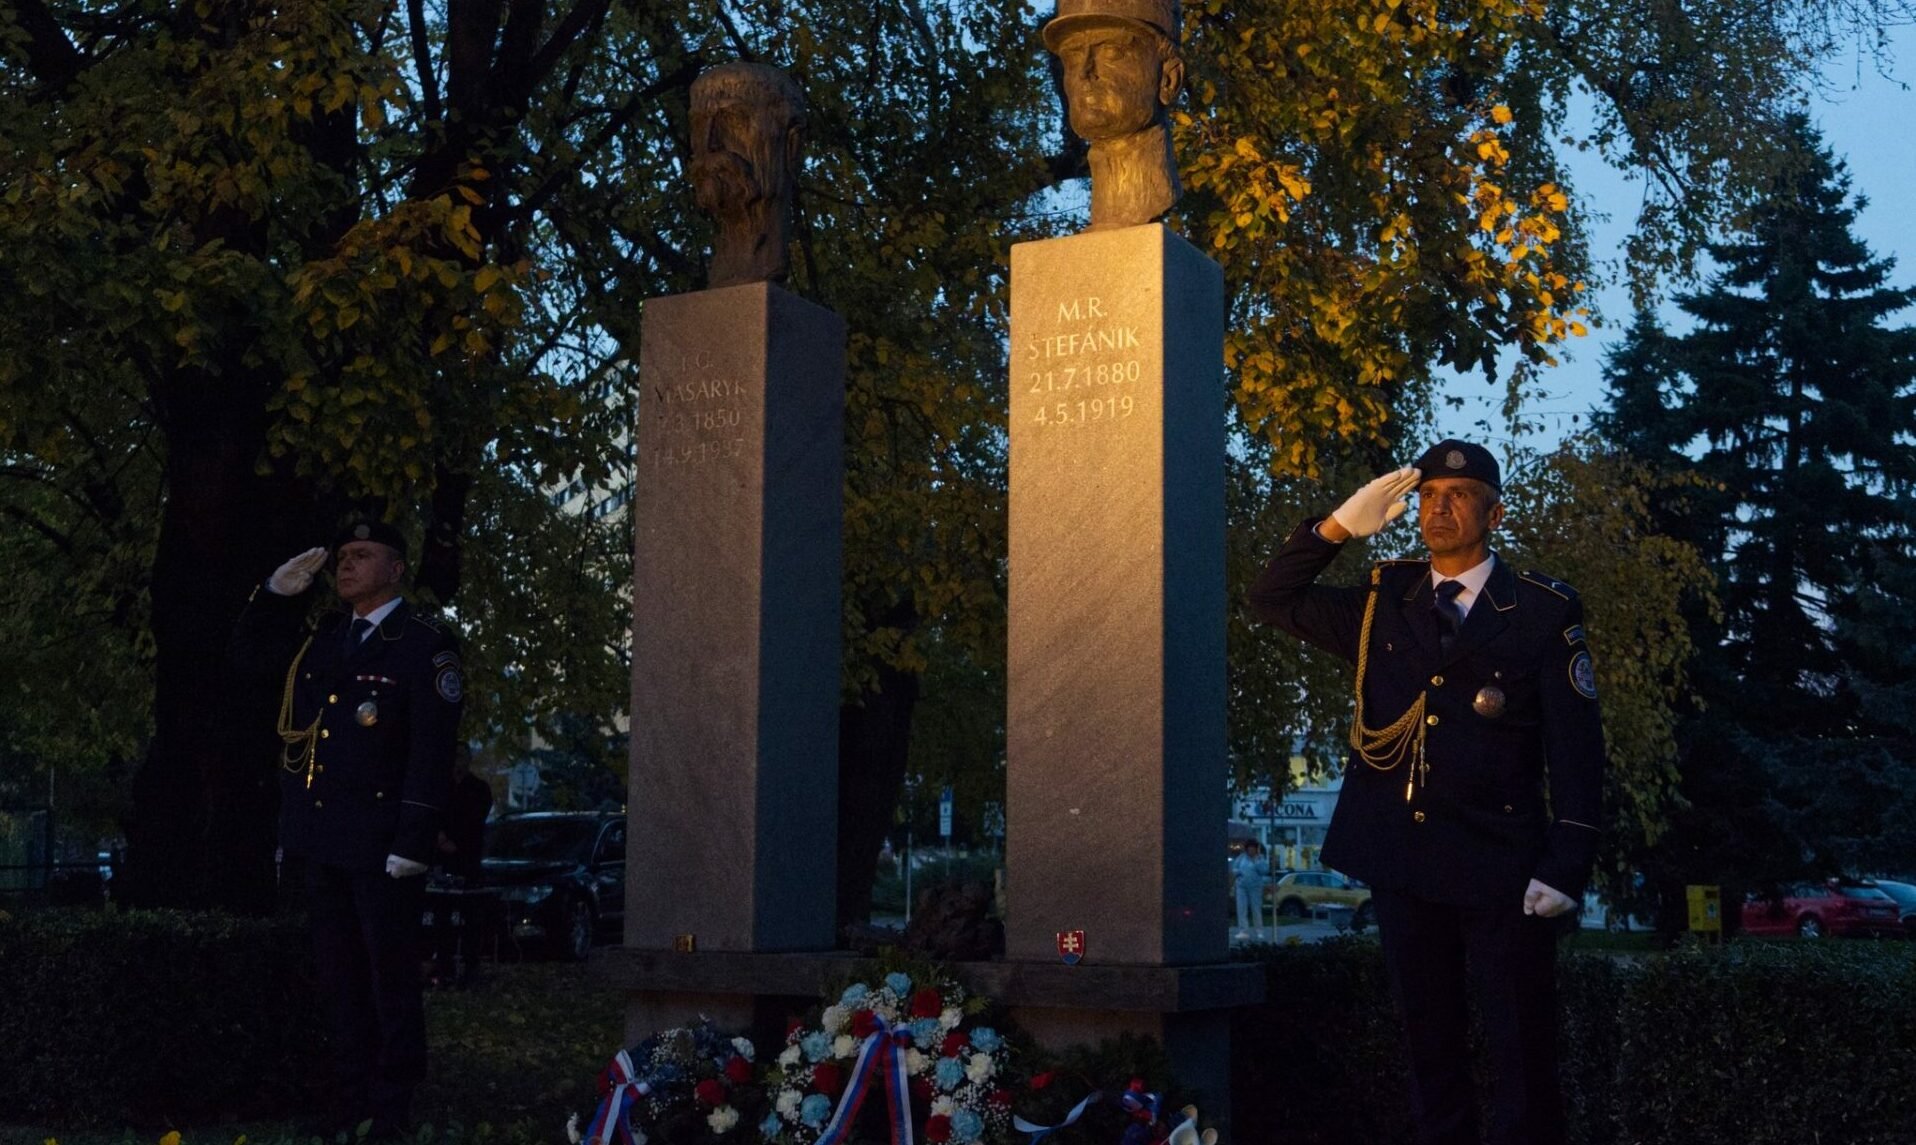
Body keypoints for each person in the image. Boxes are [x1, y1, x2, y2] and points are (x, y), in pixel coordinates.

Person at [1245, 440, 1603, 1145]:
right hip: (1404, 860)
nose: (1439, 507)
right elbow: (1270, 598)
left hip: (1502, 865)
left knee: (1521, 1051)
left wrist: (1568, 860)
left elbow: (1577, 747)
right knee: (1429, 1048)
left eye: (1459, 495)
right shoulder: (1387, 600)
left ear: (1494, 512)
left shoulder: (1539, 609)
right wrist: (1337, 528)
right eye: (1429, 493)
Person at [232, 521, 463, 1137]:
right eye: (342, 558)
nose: (346, 566)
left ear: (396, 569)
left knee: (388, 980)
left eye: (363, 556)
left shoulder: (423, 645)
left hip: (382, 844)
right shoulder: (326, 639)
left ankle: (392, 1109)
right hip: (321, 839)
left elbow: (431, 751)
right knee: (338, 981)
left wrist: (413, 842)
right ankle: (350, 1099)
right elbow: (251, 666)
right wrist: (276, 599)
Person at [1230, 839, 1267, 938]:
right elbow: (1234, 868)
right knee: (1241, 909)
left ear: (1256, 849)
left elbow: (1264, 871)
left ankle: (1259, 931)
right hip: (1242, 887)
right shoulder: (1242, 857)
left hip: (1255, 887)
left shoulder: (1260, 858)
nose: (1251, 851)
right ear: (1246, 849)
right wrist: (1239, 872)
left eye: (1253, 849)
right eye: (1249, 849)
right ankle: (1243, 931)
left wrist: (1257, 861)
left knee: (1256, 909)